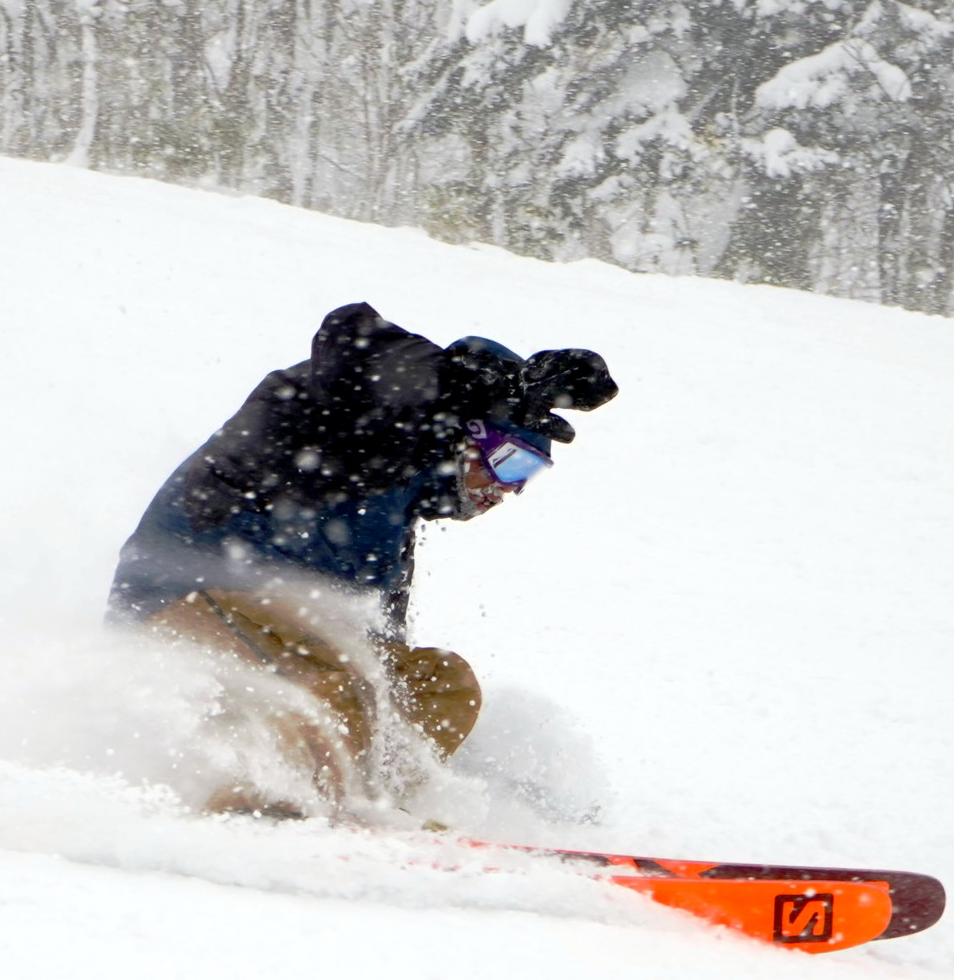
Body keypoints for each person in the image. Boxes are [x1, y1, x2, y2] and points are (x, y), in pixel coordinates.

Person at [108, 301, 617, 818]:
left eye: (530, 472)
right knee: (333, 685)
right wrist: (456, 384)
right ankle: (256, 814)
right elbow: (350, 337)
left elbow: (372, 635)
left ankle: (381, 807)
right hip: (184, 597)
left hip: (278, 628)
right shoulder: (352, 429)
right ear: (467, 435)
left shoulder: (395, 512)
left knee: (438, 683)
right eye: (510, 462)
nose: (509, 489)